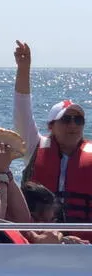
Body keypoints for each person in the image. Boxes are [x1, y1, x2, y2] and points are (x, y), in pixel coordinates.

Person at [14, 40, 92, 239]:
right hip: (40, 238)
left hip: (84, 242)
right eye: (66, 119)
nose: (73, 125)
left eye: (78, 120)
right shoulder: (34, 146)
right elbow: (22, 109)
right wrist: (24, 69)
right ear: (51, 126)